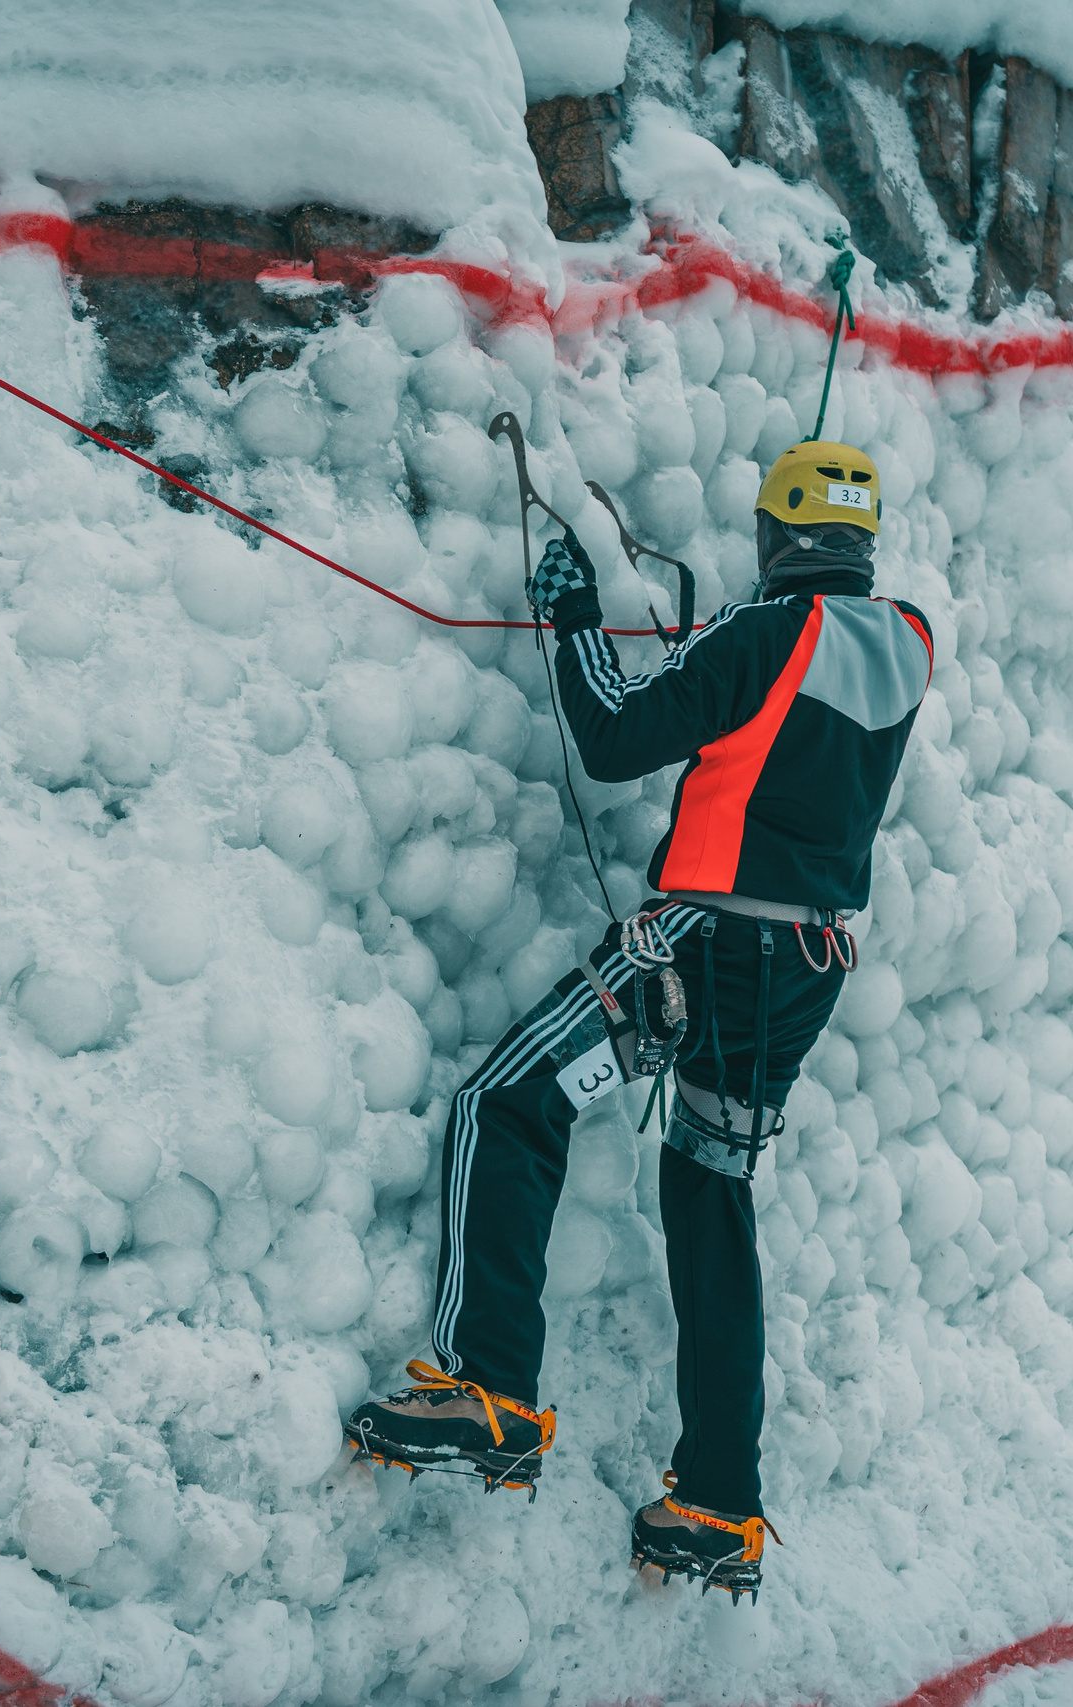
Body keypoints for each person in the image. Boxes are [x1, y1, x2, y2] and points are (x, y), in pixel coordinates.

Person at [344, 441, 933, 1599]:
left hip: (698, 945)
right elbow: (770, 716)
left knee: (505, 1104)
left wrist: (570, 621)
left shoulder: (758, 637)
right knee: (709, 1195)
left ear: (776, 535)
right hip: (802, 967)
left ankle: (488, 1387)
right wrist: (711, 656)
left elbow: (613, 740)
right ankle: (718, 1501)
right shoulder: (908, 644)